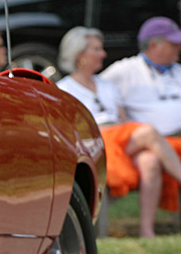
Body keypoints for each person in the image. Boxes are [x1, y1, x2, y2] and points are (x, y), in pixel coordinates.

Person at [57, 26, 181, 237]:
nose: (103, 54)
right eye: (96, 49)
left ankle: (147, 231)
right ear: (80, 55)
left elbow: (122, 120)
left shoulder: (106, 85)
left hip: (120, 140)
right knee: (148, 131)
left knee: (150, 160)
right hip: (94, 141)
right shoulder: (65, 88)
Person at [100, 16, 181, 137]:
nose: (179, 47)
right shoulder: (125, 70)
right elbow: (93, 89)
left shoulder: (178, 70)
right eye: (173, 44)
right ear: (153, 45)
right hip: (149, 144)